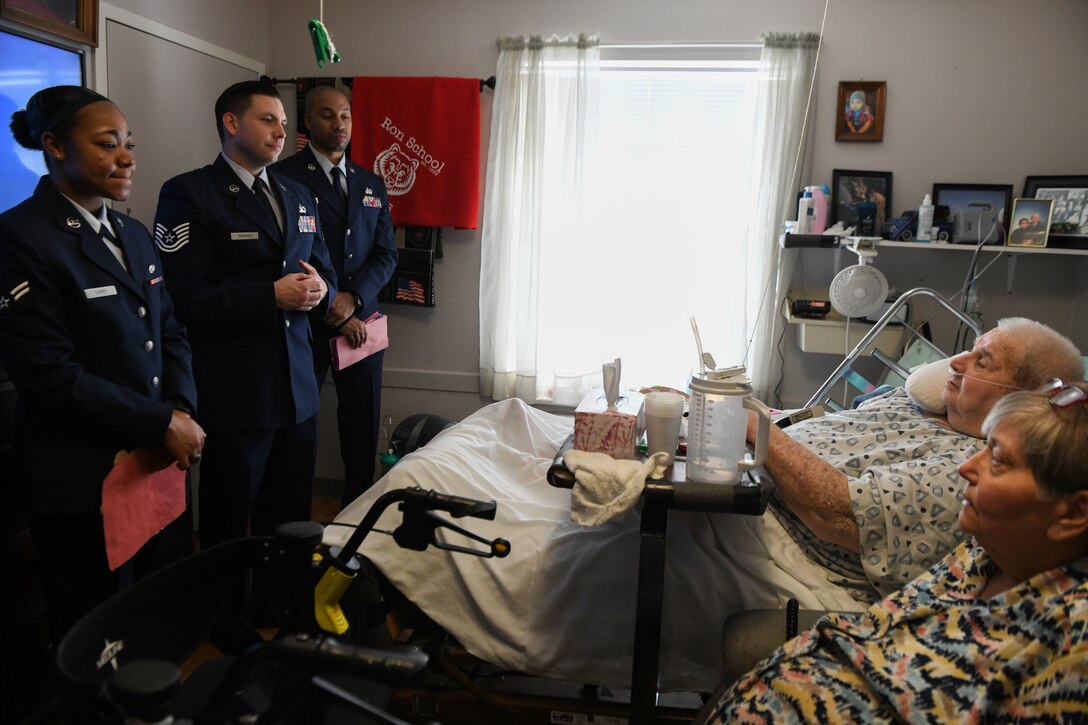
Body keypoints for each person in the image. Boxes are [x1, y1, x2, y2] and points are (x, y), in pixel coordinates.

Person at [330, 318, 1082, 693]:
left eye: (980, 360)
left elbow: (835, 511)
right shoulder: (916, 409)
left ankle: (388, 570)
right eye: (966, 349)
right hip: (762, 480)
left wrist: (742, 414)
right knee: (513, 418)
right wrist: (747, 421)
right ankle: (377, 543)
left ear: (1031, 398)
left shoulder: (959, 463)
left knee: (552, 529)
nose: (953, 363)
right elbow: (805, 439)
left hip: (778, 539)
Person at [705, 380, 1088, 723]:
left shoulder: (1071, 640)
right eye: (984, 448)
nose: (967, 467)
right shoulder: (980, 556)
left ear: (1074, 514)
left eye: (999, 460)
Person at [0, 86, 204, 641]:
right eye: (106, 144)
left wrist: (180, 408)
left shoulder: (133, 234)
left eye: (129, 144)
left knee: (155, 614)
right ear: (54, 146)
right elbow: (48, 374)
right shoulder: (20, 237)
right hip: (81, 479)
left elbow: (170, 332)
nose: (127, 157)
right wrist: (161, 423)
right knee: (99, 635)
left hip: (152, 464)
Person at [153, 80, 336, 549]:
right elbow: (181, 297)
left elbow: (324, 270)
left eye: (283, 122)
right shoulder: (190, 193)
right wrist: (267, 296)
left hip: (299, 390)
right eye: (268, 119)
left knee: (291, 520)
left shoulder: (298, 195)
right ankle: (227, 620)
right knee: (228, 524)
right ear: (231, 123)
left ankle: (281, 610)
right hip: (236, 393)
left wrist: (321, 289)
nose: (281, 132)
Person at [271, 85, 397, 508]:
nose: (338, 124)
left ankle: (355, 520)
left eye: (344, 115)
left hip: (361, 325)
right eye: (327, 115)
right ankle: (296, 525)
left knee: (361, 427)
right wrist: (333, 307)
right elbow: (286, 255)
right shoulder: (283, 178)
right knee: (298, 426)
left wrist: (355, 298)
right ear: (307, 122)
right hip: (305, 322)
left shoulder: (370, 183)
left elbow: (385, 254)